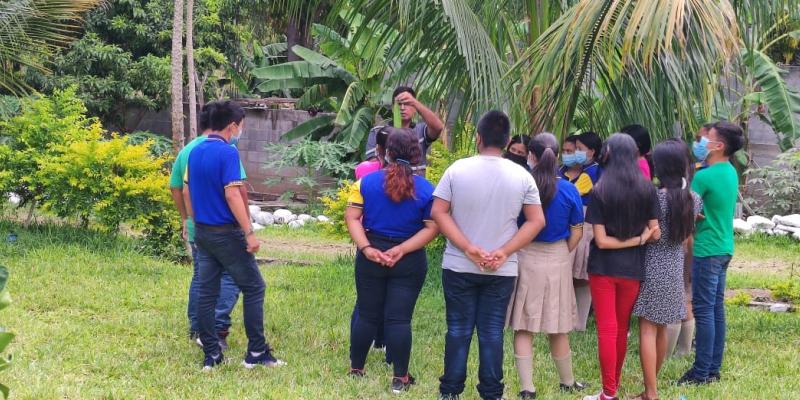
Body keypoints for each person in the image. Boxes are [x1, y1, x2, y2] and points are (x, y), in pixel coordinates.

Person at [431, 110, 546, 400]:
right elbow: (536, 221)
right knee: (492, 332)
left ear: (478, 138)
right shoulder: (522, 176)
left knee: (457, 330)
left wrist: (468, 248)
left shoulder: (457, 169)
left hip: (458, 264)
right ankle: (492, 393)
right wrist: (504, 251)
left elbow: (438, 213)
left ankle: (450, 391)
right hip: (502, 268)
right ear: (508, 142)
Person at [183, 100, 283, 370]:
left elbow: (187, 192)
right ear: (232, 126)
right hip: (226, 234)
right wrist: (249, 232)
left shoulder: (195, 151)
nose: (242, 130)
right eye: (241, 125)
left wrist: (194, 221)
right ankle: (256, 352)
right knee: (254, 287)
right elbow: (232, 193)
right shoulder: (228, 153)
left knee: (206, 292)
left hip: (203, 233)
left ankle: (212, 354)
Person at [345, 128, 439, 394]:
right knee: (399, 319)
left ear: (386, 152)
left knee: (366, 312)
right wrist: (402, 249)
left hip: (372, 253)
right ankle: (400, 378)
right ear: (417, 154)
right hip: (409, 260)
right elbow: (432, 227)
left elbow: (352, 218)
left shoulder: (365, 183)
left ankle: (356, 369)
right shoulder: (427, 189)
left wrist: (366, 248)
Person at [507, 133, 586, 399]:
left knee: (524, 324)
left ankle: (527, 388)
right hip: (557, 259)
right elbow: (577, 231)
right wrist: (562, 252)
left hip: (525, 256)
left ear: (531, 156)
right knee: (559, 323)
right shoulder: (569, 189)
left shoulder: (522, 185)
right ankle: (568, 382)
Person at [582, 133, 661, 400]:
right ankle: (610, 390)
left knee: (607, 328)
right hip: (633, 270)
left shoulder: (600, 190)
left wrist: (636, 239)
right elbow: (656, 233)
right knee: (621, 328)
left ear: (608, 154)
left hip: (603, 268)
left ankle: (608, 392)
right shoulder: (648, 188)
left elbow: (602, 242)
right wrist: (641, 238)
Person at [169, 102, 246, 351]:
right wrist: (246, 224)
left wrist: (186, 218)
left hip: (196, 226)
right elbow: (237, 189)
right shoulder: (224, 149)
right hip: (222, 227)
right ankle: (215, 327)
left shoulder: (187, 151)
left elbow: (176, 188)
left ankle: (197, 327)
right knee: (231, 276)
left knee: (201, 277)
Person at [632, 139, 703, 400]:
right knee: (661, 327)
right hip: (675, 265)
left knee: (648, 329)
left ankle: (650, 392)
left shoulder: (654, 197)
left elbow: (645, 231)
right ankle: (651, 387)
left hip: (651, 265)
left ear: (659, 166)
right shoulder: (693, 199)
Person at [678, 121, 744, 386]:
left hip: (706, 249)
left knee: (703, 310)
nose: (701, 142)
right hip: (724, 247)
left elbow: (684, 208)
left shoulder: (704, 176)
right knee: (716, 309)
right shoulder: (730, 171)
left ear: (719, 146)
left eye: (707, 138)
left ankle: (701, 372)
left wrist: (693, 213)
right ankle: (713, 368)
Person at [666, 123, 714, 358]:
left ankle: (680, 348)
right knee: (684, 292)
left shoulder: (699, 178)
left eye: (701, 139)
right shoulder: (696, 174)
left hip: (687, 242)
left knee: (683, 293)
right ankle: (683, 347)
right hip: (689, 240)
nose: (698, 143)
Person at [560, 131, 602, 332]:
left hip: (584, 226)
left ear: (592, 151)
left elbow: (573, 193)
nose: (573, 153)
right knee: (573, 273)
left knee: (581, 274)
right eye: (569, 149)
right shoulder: (566, 170)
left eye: (578, 149)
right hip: (575, 224)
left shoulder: (593, 172)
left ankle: (579, 322)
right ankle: (571, 320)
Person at [365, 86, 445, 175]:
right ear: (392, 108)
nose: (402, 108)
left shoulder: (421, 131)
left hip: (415, 186)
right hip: (386, 185)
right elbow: (372, 164)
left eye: (407, 104)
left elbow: (438, 127)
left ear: (415, 108)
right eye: (399, 104)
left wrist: (415, 103)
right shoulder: (377, 132)